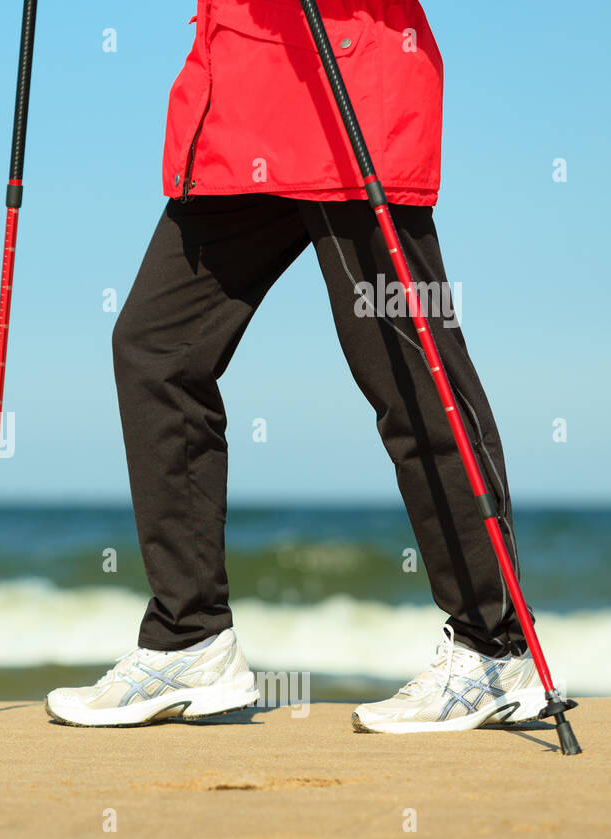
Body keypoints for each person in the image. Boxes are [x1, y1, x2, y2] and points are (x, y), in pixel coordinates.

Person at [44, 0, 546, 732]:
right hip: (241, 107)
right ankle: (192, 639)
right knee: (156, 349)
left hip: (347, 96)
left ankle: (493, 648)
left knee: (410, 372)